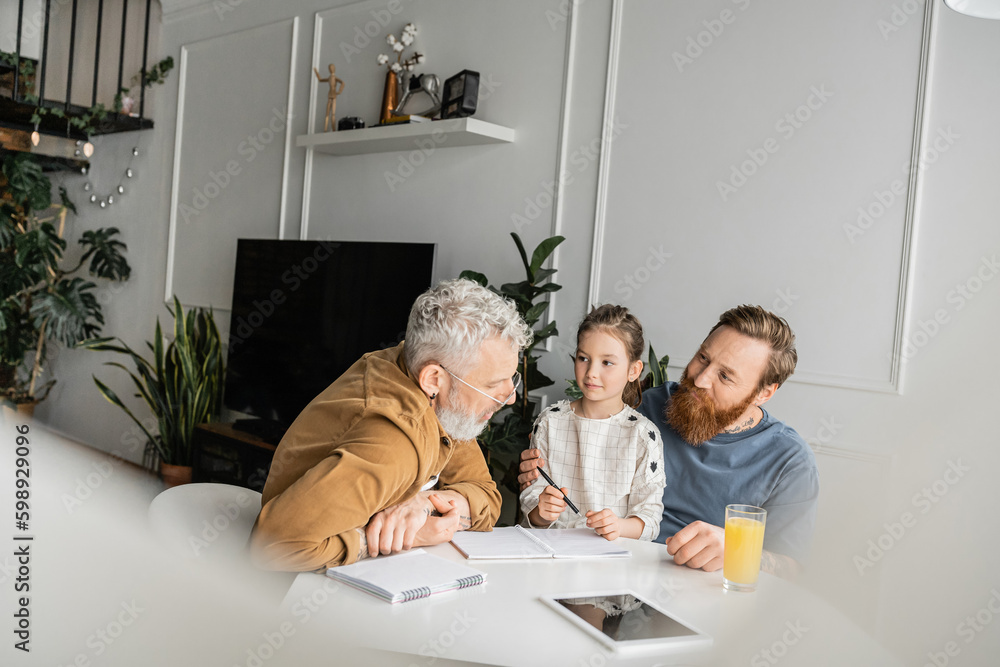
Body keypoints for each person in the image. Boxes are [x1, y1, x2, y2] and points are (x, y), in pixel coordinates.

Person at [250, 278, 532, 572]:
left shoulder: (438, 391)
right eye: (493, 385)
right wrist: (408, 536)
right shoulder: (392, 446)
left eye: (511, 379)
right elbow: (271, 548)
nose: (510, 398)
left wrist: (423, 504)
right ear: (433, 379)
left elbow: (486, 495)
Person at [520, 305, 819, 577]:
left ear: (764, 393)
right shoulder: (649, 406)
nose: (700, 379)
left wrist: (741, 552)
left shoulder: (789, 460)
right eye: (703, 358)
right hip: (613, 569)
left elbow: (794, 570)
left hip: (702, 595)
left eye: (725, 376)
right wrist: (537, 473)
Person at [520, 304, 665, 541]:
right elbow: (531, 500)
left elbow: (649, 519)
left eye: (607, 362)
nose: (591, 373)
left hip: (611, 560)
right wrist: (541, 513)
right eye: (583, 358)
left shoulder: (642, 435)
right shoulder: (550, 422)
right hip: (552, 552)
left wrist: (618, 526)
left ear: (633, 370)